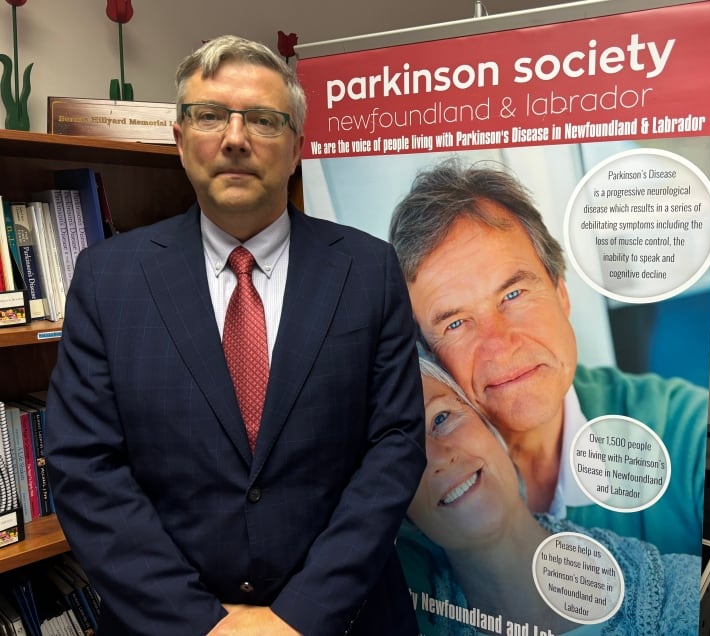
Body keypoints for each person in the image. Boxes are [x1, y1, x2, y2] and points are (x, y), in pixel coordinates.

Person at [45, 35, 426, 636]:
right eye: (210, 115)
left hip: (343, 619)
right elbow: (84, 465)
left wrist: (298, 618)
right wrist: (204, 625)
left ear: (297, 146)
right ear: (179, 138)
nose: (235, 138)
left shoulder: (369, 270)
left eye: (265, 121)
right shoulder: (107, 277)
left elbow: (396, 446)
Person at [389, 158, 707, 556]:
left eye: (513, 295)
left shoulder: (685, 431)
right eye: (456, 323)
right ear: (427, 353)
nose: (500, 344)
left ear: (562, 293)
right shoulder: (415, 498)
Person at [398, 356, 699, 635]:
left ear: (488, 425)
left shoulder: (683, 598)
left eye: (440, 418)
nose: (437, 459)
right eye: (398, 454)